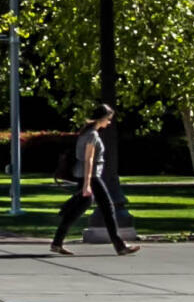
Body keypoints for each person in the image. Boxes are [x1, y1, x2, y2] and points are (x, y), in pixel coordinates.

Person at [50, 103, 136, 255]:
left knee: (77, 210)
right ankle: (120, 246)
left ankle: (57, 242)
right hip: (91, 176)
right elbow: (89, 160)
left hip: (84, 175)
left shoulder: (85, 132)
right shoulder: (92, 135)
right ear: (102, 118)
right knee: (108, 208)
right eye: (108, 119)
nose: (109, 122)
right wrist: (87, 184)